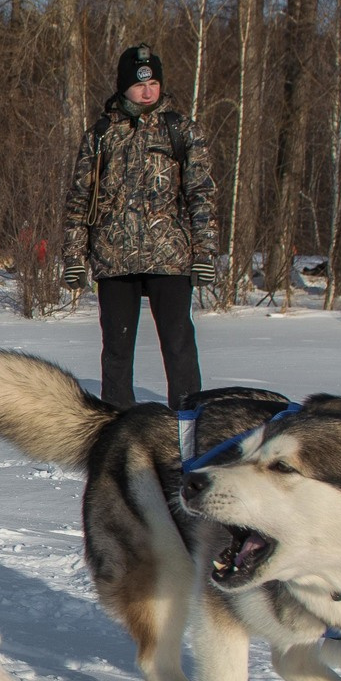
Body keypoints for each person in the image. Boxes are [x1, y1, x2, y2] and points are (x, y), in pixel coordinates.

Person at [61, 43, 216, 410]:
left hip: (170, 256)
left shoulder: (181, 130)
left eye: (154, 83)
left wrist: (205, 251)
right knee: (116, 347)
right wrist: (73, 256)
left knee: (178, 344)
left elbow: (202, 194)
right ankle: (118, 422)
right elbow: (79, 199)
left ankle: (188, 421)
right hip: (114, 257)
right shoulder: (100, 135)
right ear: (123, 86)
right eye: (139, 84)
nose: (148, 91)